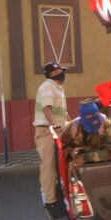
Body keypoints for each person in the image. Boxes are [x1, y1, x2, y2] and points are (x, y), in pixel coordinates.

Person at [33, 61, 70, 212]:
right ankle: (50, 200)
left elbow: (62, 112)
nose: (63, 73)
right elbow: (47, 108)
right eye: (61, 71)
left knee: (60, 163)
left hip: (58, 129)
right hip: (48, 131)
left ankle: (61, 193)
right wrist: (54, 126)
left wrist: (70, 123)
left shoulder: (58, 88)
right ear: (54, 73)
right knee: (48, 165)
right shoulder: (48, 86)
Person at [62, 99, 111, 170]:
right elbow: (61, 148)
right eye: (89, 118)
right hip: (76, 169)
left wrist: (85, 158)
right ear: (82, 119)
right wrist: (72, 152)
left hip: (101, 168)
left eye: (96, 116)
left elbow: (110, 152)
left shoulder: (107, 126)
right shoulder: (73, 127)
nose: (94, 122)